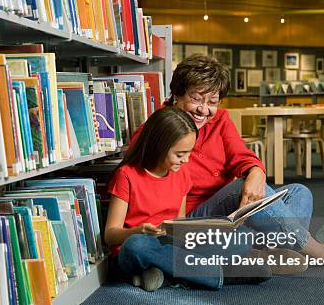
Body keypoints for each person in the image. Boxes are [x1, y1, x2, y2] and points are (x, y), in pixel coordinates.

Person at [129, 54, 324, 265]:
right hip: (193, 217)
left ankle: (269, 253)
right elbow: (139, 184)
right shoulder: (156, 129)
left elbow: (242, 156)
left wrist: (256, 172)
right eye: (196, 98)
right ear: (176, 93)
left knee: (299, 193)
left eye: (212, 102)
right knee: (240, 187)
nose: (204, 110)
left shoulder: (220, 120)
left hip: (233, 213)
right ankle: (320, 253)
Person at [105, 107, 272, 292]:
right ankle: (220, 275)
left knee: (242, 239)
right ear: (158, 146)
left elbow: (180, 222)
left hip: (169, 244)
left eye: (189, 152)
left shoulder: (182, 172)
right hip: (138, 246)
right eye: (179, 154)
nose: (186, 160)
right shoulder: (126, 175)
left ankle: (164, 274)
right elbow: (110, 235)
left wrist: (194, 233)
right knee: (136, 246)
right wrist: (139, 231)